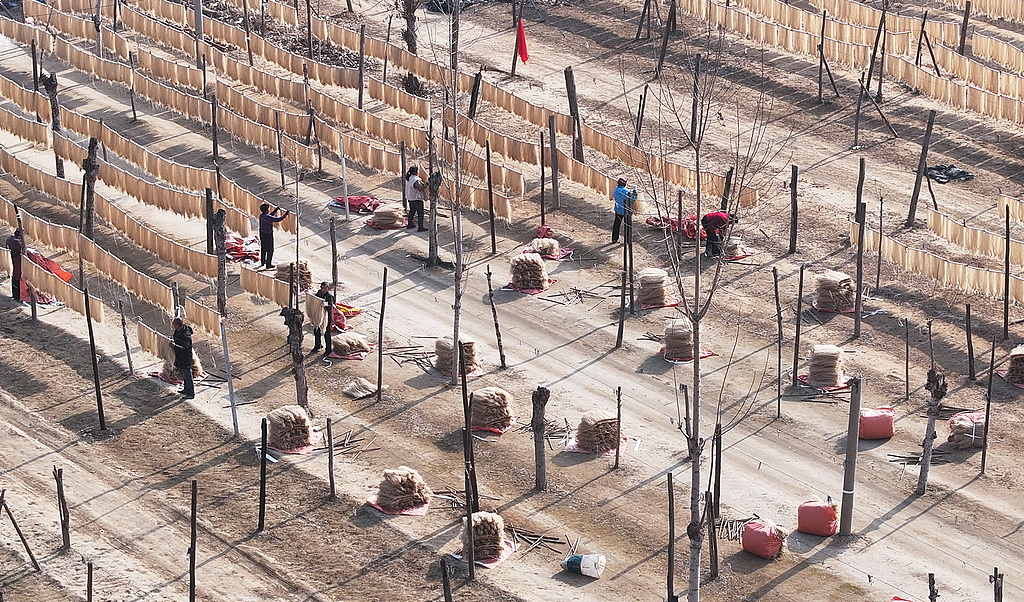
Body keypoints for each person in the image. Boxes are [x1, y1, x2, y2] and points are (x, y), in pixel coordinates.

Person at [258, 203, 290, 269]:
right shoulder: (267, 217)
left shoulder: (261, 215)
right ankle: (268, 264)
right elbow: (277, 219)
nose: (268, 210)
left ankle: (263, 261)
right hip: (268, 235)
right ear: (266, 211)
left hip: (262, 234)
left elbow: (269, 216)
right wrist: (285, 215)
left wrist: (275, 211)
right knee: (270, 249)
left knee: (263, 248)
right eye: (268, 209)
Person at [170, 317, 195, 400]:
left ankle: (191, 393)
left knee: (187, 375)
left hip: (185, 358)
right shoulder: (178, 330)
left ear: (177, 325)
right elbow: (175, 338)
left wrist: (175, 346)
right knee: (183, 374)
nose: (173, 326)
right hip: (179, 357)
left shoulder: (185, 335)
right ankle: (186, 389)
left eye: (174, 325)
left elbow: (186, 348)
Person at [311, 281, 334, 358]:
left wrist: (327, 305)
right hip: (319, 315)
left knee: (327, 333)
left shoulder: (329, 296)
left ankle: (328, 350)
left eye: (325, 288)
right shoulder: (319, 293)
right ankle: (318, 345)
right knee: (316, 330)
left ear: (328, 288)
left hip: (326, 317)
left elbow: (331, 307)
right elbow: (315, 299)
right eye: (322, 288)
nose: (323, 289)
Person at [612, 178, 637, 244]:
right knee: (627, 226)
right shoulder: (625, 191)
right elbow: (633, 198)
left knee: (616, 225)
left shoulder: (616, 190)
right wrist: (635, 191)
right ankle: (627, 240)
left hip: (618, 210)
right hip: (626, 211)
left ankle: (614, 238)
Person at [404, 166, 428, 232]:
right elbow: (421, 188)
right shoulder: (415, 180)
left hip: (410, 198)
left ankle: (410, 224)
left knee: (412, 211)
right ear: (416, 172)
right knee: (420, 213)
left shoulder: (409, 178)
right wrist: (427, 184)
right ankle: (420, 227)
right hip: (416, 199)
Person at [5, 228, 23, 301]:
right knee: (17, 276)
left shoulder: (9, 239)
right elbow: (22, 249)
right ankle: (17, 296)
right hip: (17, 260)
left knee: (14, 275)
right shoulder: (19, 243)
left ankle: (15, 294)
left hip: (12, 258)